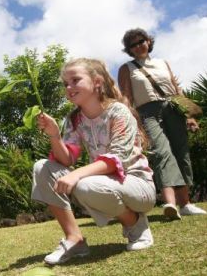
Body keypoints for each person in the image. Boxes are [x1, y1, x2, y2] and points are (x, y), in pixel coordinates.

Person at [32, 58, 156, 265]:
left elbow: (117, 159)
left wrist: (76, 174)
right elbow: (67, 159)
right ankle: (75, 239)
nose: (69, 87)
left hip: (138, 185)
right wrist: (54, 135)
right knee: (42, 167)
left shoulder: (118, 111)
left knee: (86, 184)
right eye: (65, 84)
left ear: (97, 82)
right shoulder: (74, 120)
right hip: (102, 182)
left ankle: (135, 224)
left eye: (75, 80)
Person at [118, 28, 207, 220]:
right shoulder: (127, 68)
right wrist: (125, 118)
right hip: (147, 112)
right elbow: (126, 96)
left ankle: (186, 204)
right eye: (133, 45)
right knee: (161, 152)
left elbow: (176, 90)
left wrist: (189, 116)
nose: (138, 46)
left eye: (141, 41)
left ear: (149, 41)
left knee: (181, 152)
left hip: (173, 108)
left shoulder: (162, 63)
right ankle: (170, 203)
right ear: (129, 50)